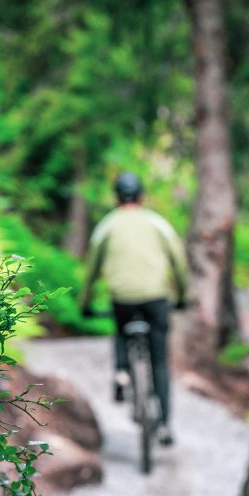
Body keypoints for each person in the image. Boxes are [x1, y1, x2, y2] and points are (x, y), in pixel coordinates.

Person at [79, 171, 188, 446]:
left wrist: (85, 304)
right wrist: (184, 296)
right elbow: (178, 261)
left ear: (116, 198)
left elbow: (91, 271)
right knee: (159, 360)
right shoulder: (158, 223)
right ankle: (164, 426)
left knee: (120, 327)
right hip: (156, 298)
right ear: (142, 196)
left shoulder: (107, 226)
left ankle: (122, 371)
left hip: (123, 299)